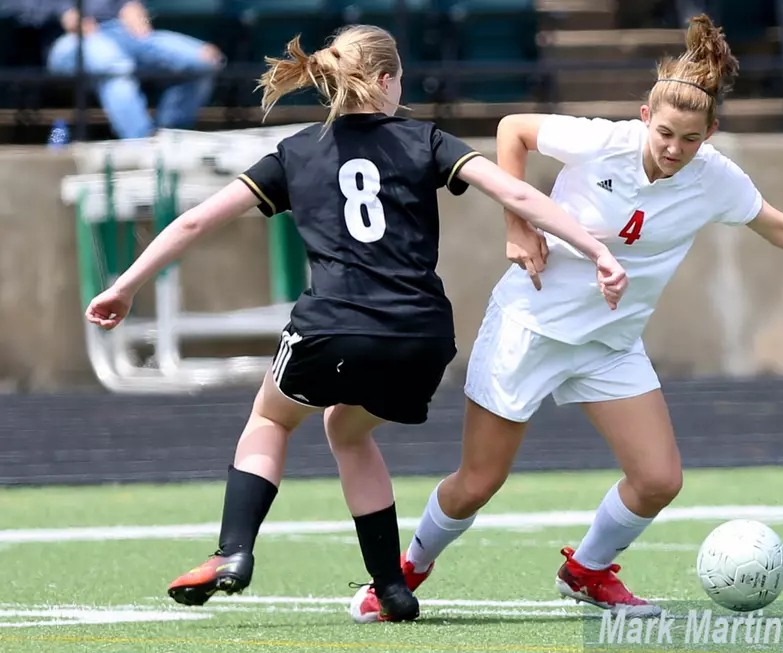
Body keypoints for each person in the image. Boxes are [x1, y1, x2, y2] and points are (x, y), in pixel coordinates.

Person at [350, 14, 783, 621]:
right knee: (478, 483)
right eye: (663, 133)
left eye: (689, 138)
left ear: (709, 133)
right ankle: (400, 575)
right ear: (643, 119)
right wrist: (518, 225)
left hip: (611, 342)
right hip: (531, 326)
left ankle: (587, 570)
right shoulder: (602, 142)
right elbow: (513, 130)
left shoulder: (715, 180)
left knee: (658, 479)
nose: (673, 149)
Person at [83, 24, 628, 623]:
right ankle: (391, 588)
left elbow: (193, 224)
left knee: (270, 417)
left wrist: (124, 286)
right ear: (389, 80)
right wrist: (598, 252)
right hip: (422, 337)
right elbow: (517, 195)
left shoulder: (297, 151)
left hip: (334, 325)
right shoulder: (426, 139)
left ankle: (233, 552)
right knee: (347, 429)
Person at [45, 0, 223, 139]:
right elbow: (23, 7)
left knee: (205, 60)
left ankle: (170, 139)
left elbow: (131, 7)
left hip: (123, 31)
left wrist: (133, 7)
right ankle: (142, 145)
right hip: (69, 39)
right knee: (115, 65)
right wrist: (64, 12)